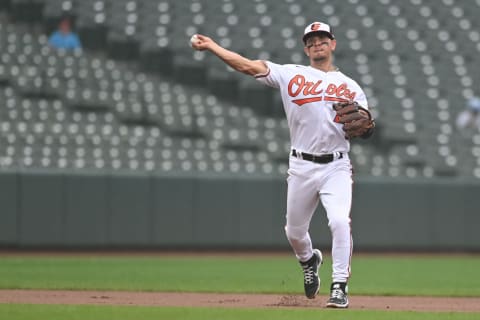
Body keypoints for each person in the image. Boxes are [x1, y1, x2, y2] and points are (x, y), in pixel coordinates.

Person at [191, 21, 375, 308]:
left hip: (336, 166)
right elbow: (248, 66)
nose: (317, 43)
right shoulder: (291, 74)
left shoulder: (350, 86)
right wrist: (214, 47)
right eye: (311, 40)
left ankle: (339, 286)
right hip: (301, 165)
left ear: (333, 44)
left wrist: (366, 127)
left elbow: (365, 127)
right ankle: (308, 259)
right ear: (306, 47)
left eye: (322, 38)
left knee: (339, 221)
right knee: (294, 232)